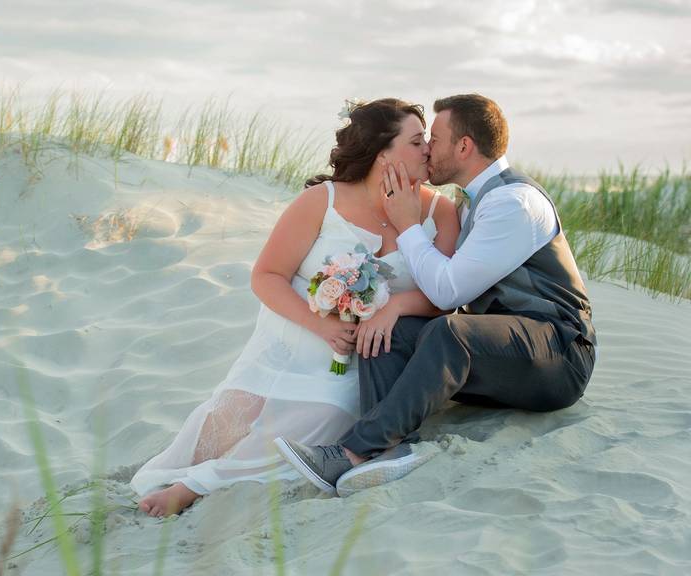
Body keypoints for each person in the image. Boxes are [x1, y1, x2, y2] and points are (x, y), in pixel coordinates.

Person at [132, 99, 460, 516]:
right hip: (294, 340)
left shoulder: (442, 213)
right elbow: (266, 275)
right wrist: (320, 325)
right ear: (383, 155)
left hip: (365, 362)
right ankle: (189, 471)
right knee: (231, 416)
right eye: (417, 142)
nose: (429, 149)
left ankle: (198, 487)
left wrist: (393, 305)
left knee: (323, 414)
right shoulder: (321, 202)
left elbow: (442, 297)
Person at [275, 94, 597, 498]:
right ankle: (392, 448)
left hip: (559, 355)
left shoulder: (513, 202)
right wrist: (388, 310)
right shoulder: (474, 202)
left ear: (464, 146)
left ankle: (353, 451)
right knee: (390, 330)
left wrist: (406, 224)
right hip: (503, 354)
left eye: (437, 138)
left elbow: (448, 290)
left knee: (449, 332)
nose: (429, 148)